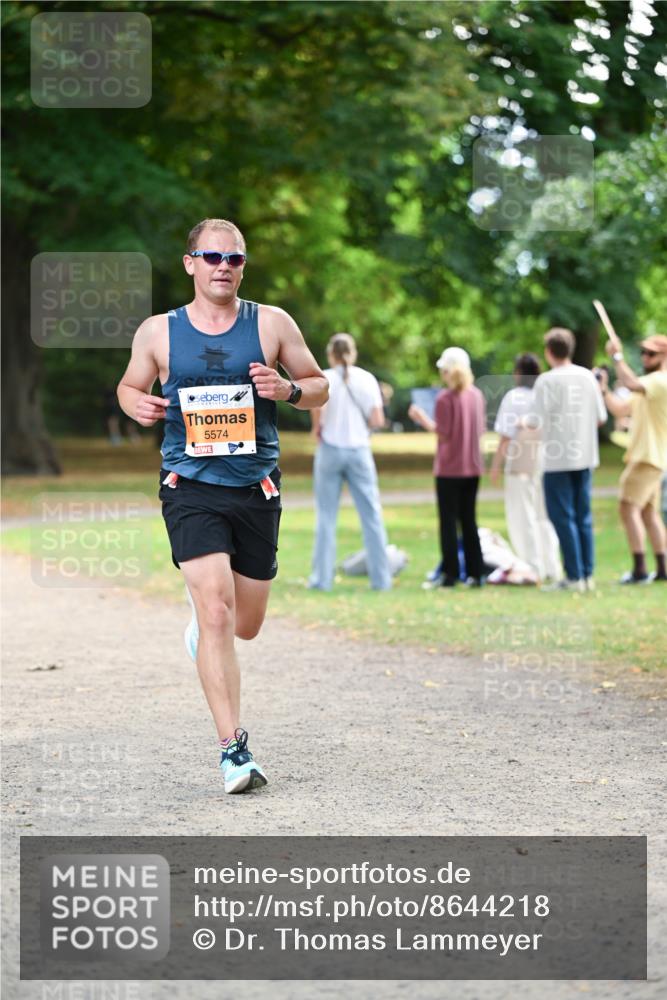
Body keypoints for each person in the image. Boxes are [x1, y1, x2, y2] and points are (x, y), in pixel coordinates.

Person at [117, 218, 328, 793]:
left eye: (234, 258)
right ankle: (234, 752)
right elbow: (129, 386)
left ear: (243, 266)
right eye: (212, 257)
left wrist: (287, 390)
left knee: (246, 625)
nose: (223, 267)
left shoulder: (273, 324)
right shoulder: (159, 332)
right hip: (189, 485)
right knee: (216, 611)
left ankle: (208, 627)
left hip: (255, 487)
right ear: (191, 263)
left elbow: (319, 385)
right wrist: (138, 404)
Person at [308, 333, 392, 591]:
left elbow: (318, 415)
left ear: (330, 354)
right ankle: (381, 580)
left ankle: (322, 580)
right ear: (353, 353)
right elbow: (377, 420)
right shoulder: (367, 379)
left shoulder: (324, 378)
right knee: (371, 515)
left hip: (330, 450)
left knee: (326, 516)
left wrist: (317, 429)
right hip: (359, 451)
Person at [532, 328, 607, 592]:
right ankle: (586, 573)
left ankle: (574, 575)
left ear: (549, 351)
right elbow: (600, 417)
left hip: (557, 459)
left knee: (562, 516)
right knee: (583, 516)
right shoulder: (587, 377)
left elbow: (535, 420)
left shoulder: (546, 381)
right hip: (585, 456)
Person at [408, 347, 486, 587]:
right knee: (469, 521)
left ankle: (450, 574)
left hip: (449, 469)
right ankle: (476, 573)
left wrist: (421, 418)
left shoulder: (445, 398)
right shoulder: (476, 396)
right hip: (472, 467)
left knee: (449, 522)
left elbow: (443, 434)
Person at [598, 332, 667, 584]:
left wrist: (616, 356)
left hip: (646, 457)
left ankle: (639, 570)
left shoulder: (660, 381)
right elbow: (620, 409)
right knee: (649, 514)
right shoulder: (648, 385)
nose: (645, 357)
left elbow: (630, 383)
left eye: (651, 353)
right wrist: (604, 390)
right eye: (643, 352)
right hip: (652, 458)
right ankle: (662, 569)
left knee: (627, 508)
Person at [490, 353, 562, 582]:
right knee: (543, 515)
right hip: (546, 459)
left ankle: (531, 565)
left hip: (521, 459)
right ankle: (551, 565)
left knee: (522, 515)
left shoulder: (514, 397)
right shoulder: (545, 396)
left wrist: (496, 466)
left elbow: (505, 436)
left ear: (519, 373)